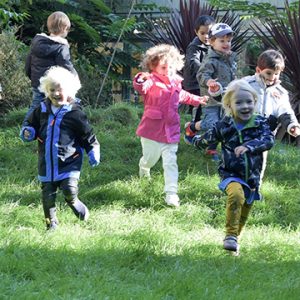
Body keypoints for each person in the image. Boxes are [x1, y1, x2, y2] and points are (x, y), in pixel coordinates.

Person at [186, 79, 274, 254]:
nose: (245, 106)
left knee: (244, 209)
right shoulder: (224, 126)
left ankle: (234, 241)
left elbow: (268, 140)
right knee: (236, 196)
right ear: (229, 105)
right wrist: (191, 137)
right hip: (231, 173)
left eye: (249, 102)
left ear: (255, 103)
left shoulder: (260, 123)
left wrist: (249, 146)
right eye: (239, 102)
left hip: (253, 177)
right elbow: (206, 139)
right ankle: (230, 235)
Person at [20, 66, 100, 230]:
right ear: (45, 90)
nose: (56, 93)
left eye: (60, 89)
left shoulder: (75, 112)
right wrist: (28, 131)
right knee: (47, 196)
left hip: (69, 161)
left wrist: (93, 149)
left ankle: (74, 202)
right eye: (52, 90)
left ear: (70, 90)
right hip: (46, 162)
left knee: (69, 190)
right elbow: (30, 124)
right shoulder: (41, 109)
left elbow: (87, 134)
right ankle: (51, 224)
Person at [133, 44, 208, 207]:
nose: (167, 70)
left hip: (171, 130)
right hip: (151, 131)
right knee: (150, 159)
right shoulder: (151, 81)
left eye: (171, 67)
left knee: (170, 162)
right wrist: (141, 78)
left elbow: (181, 95)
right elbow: (140, 86)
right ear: (154, 67)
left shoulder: (176, 82)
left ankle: (171, 193)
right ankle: (144, 167)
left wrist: (197, 100)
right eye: (163, 67)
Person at [185, 22, 237, 160]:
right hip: (211, 100)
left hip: (226, 100)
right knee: (211, 123)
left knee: (224, 125)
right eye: (222, 41)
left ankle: (211, 149)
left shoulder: (230, 59)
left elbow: (233, 76)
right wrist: (209, 82)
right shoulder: (210, 60)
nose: (226, 43)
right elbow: (201, 75)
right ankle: (191, 127)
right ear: (212, 42)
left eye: (228, 40)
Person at [23, 11, 78, 126]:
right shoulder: (60, 47)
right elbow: (65, 64)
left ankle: (27, 127)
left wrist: (31, 77)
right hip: (53, 85)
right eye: (68, 29)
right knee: (59, 104)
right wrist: (75, 78)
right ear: (64, 28)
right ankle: (60, 127)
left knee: (36, 105)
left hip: (37, 82)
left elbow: (29, 62)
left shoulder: (37, 43)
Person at [182, 15, 215, 118]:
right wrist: (205, 72)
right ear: (196, 32)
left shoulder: (213, 46)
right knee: (196, 109)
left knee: (206, 106)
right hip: (194, 84)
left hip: (204, 83)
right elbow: (193, 61)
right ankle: (192, 127)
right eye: (202, 33)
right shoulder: (194, 46)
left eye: (208, 33)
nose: (206, 36)